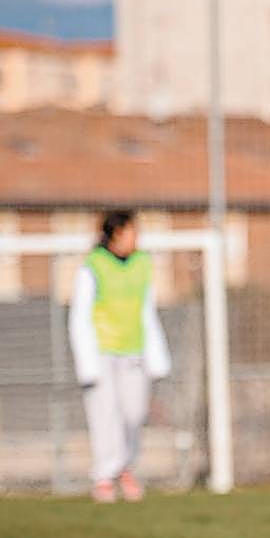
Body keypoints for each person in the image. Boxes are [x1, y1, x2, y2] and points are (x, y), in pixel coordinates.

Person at [68, 210, 171, 503]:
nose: (136, 237)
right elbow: (80, 315)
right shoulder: (93, 265)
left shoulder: (142, 264)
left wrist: (156, 355)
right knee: (104, 413)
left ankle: (125, 465)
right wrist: (86, 362)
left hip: (134, 348)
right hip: (102, 350)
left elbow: (147, 311)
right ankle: (104, 475)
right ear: (115, 233)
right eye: (131, 231)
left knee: (134, 413)